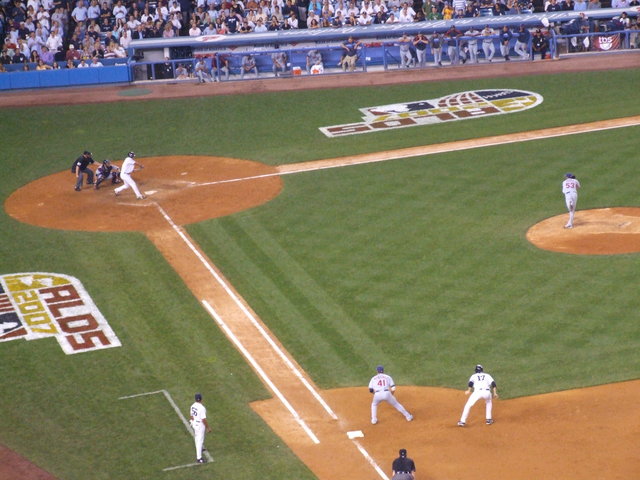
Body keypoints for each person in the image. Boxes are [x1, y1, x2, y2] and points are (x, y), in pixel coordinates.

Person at [189, 393, 212, 464]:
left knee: (197, 437)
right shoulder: (202, 408)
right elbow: (203, 419)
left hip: (194, 423)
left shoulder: (193, 406)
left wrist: (193, 422)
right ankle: (199, 458)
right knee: (199, 440)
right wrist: (208, 427)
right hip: (199, 425)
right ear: (201, 399)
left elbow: (191, 416)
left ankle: (200, 448)